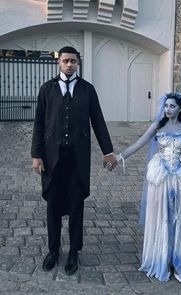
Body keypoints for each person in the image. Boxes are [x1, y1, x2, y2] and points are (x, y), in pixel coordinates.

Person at [31, 46, 117, 275]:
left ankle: (73, 253)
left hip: (78, 159)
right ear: (59, 63)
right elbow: (38, 124)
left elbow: (98, 120)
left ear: (78, 63)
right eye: (65, 61)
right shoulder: (46, 90)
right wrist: (36, 155)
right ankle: (53, 250)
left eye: (73, 61)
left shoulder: (88, 90)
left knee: (77, 206)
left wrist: (108, 151)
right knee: (53, 207)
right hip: (52, 159)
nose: (69, 64)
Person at [116, 92, 181, 282]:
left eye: (172, 106)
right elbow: (139, 143)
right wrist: (119, 157)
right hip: (160, 177)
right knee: (162, 217)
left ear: (180, 109)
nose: (168, 109)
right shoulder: (157, 126)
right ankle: (161, 258)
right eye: (166, 106)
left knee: (180, 218)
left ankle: (180, 261)